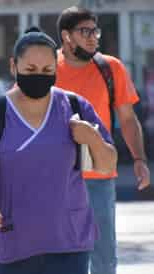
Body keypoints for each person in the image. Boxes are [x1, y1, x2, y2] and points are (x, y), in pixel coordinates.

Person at [0, 28, 118, 274]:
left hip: (69, 243)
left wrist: (93, 138)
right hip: (13, 243)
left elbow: (107, 165)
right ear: (14, 66)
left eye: (47, 70)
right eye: (30, 70)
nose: (39, 76)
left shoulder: (75, 106)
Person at [55, 6, 151, 274]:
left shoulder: (111, 68)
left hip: (99, 174)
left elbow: (128, 118)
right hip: (53, 175)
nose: (93, 37)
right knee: (56, 251)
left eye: (94, 31)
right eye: (84, 31)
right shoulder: (46, 67)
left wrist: (139, 159)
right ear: (66, 36)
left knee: (103, 257)